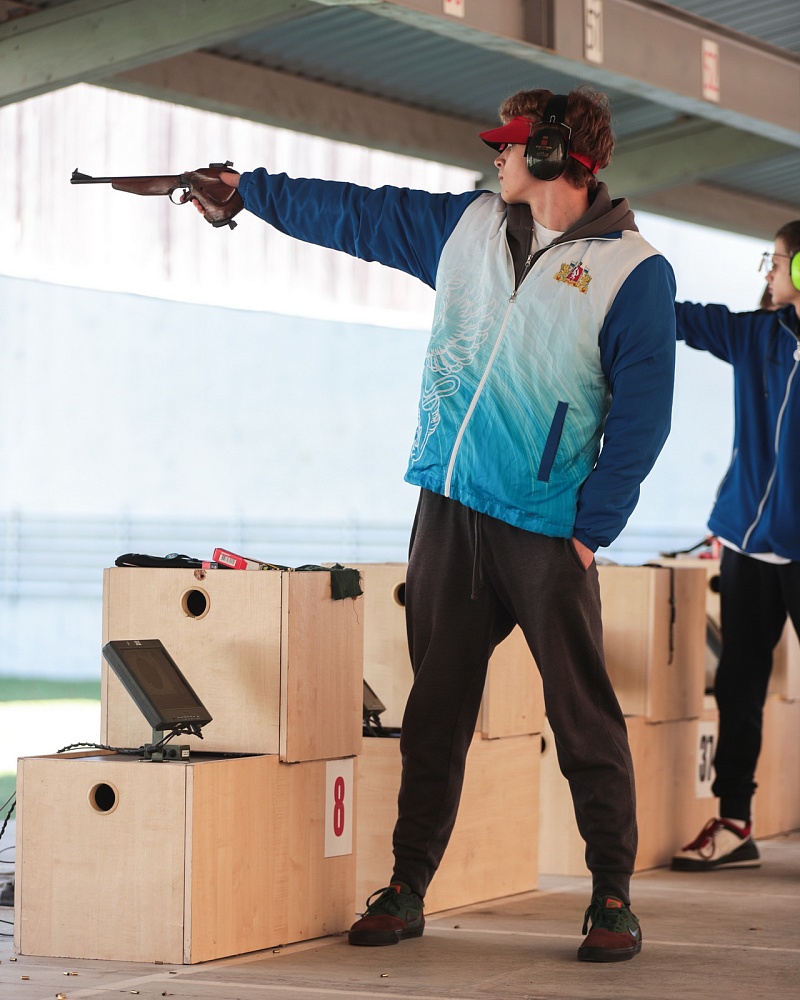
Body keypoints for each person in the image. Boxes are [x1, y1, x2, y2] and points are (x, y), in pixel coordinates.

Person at [193, 85, 676, 962]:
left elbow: (644, 417)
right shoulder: (465, 226)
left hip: (546, 527)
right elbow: (356, 214)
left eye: (510, 143)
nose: (496, 154)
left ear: (554, 153)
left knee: (582, 715)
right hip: (449, 512)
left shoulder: (634, 273)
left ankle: (612, 894)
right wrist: (250, 192)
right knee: (434, 713)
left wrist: (589, 530)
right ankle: (407, 884)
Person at [671, 221, 800, 872]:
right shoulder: (756, 336)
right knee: (738, 682)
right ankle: (734, 822)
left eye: (776, 261)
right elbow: (678, 318)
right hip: (748, 540)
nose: (767, 274)